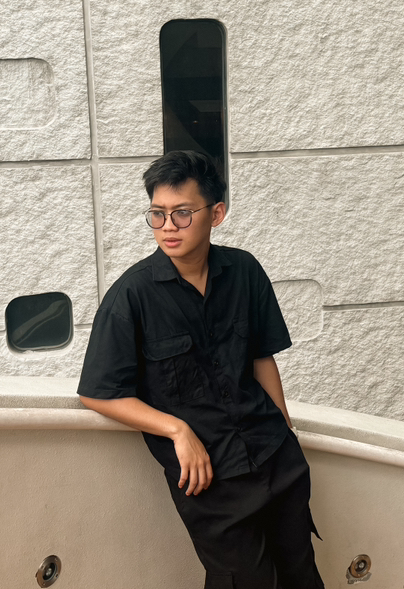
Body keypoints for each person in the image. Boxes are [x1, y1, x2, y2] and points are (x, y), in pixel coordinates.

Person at [77, 150, 325, 589]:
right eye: (158, 214)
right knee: (244, 582)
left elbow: (261, 357)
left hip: (275, 460)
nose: (168, 227)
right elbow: (97, 392)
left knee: (301, 577)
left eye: (182, 213)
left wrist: (285, 430)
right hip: (210, 480)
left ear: (216, 214)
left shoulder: (244, 270)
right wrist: (177, 430)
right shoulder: (131, 297)